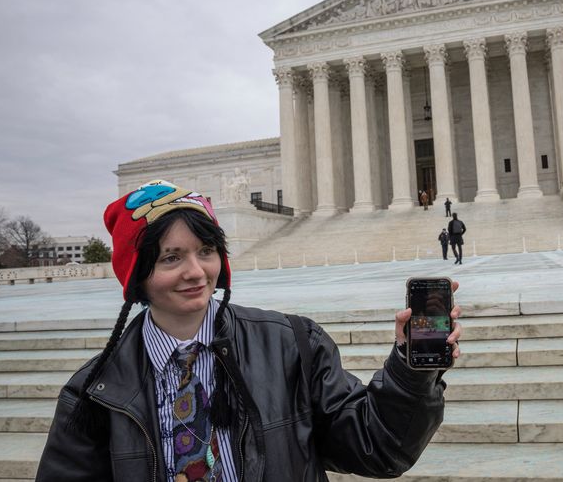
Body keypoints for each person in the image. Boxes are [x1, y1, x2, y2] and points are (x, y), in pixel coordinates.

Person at [37, 179, 463, 481]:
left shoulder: (291, 344)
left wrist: (410, 371)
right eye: (171, 258)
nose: (195, 272)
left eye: (206, 251)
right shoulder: (95, 390)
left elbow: (380, 448)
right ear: (136, 276)